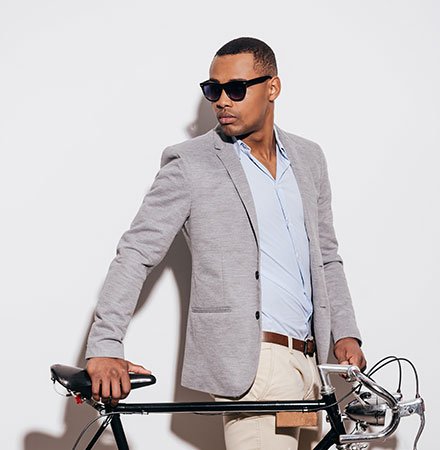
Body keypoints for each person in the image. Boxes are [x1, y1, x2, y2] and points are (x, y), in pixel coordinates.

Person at [85, 36, 366, 449]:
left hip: (309, 366)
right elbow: (136, 253)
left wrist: (345, 333)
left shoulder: (309, 159)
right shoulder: (190, 164)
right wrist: (105, 344)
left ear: (272, 87)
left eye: (235, 89)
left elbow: (325, 257)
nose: (221, 101)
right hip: (254, 365)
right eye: (212, 89)